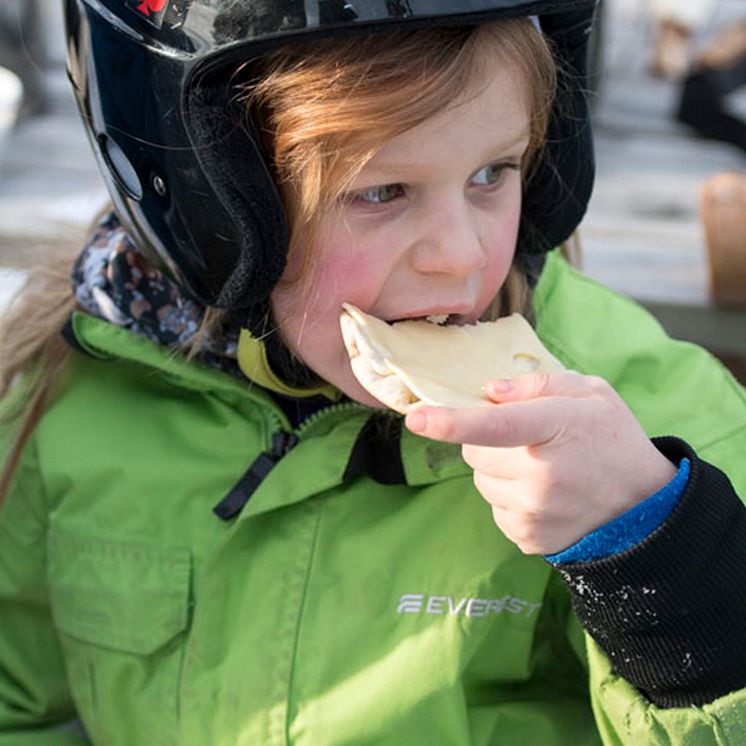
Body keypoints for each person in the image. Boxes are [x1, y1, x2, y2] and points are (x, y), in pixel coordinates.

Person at [1, 1, 745, 744]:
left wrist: (662, 557)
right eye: (381, 192)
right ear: (210, 204)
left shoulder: (649, 420)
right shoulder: (72, 392)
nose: (459, 255)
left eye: (493, 172)